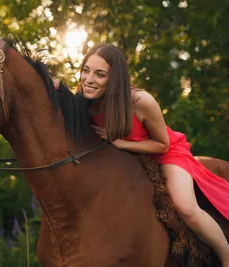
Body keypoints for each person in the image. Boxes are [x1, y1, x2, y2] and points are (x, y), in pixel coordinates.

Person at [57, 43, 229, 265]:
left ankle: (225, 254)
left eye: (100, 74)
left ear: (114, 78)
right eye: (86, 70)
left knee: (185, 207)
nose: (89, 79)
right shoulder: (86, 102)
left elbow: (162, 144)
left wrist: (120, 143)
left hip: (164, 154)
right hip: (126, 158)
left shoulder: (139, 101)